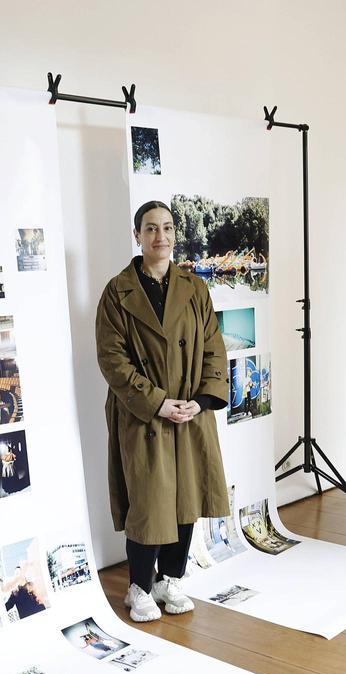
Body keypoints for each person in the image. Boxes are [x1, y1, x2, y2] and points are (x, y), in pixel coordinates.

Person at [96, 200, 231, 622]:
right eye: (151, 228)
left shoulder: (194, 289)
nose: (161, 236)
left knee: (186, 495)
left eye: (168, 228)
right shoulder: (118, 292)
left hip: (189, 412)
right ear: (137, 235)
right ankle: (139, 585)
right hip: (145, 414)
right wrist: (156, 401)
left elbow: (213, 347)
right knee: (149, 501)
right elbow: (112, 359)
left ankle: (169, 579)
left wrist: (202, 399)